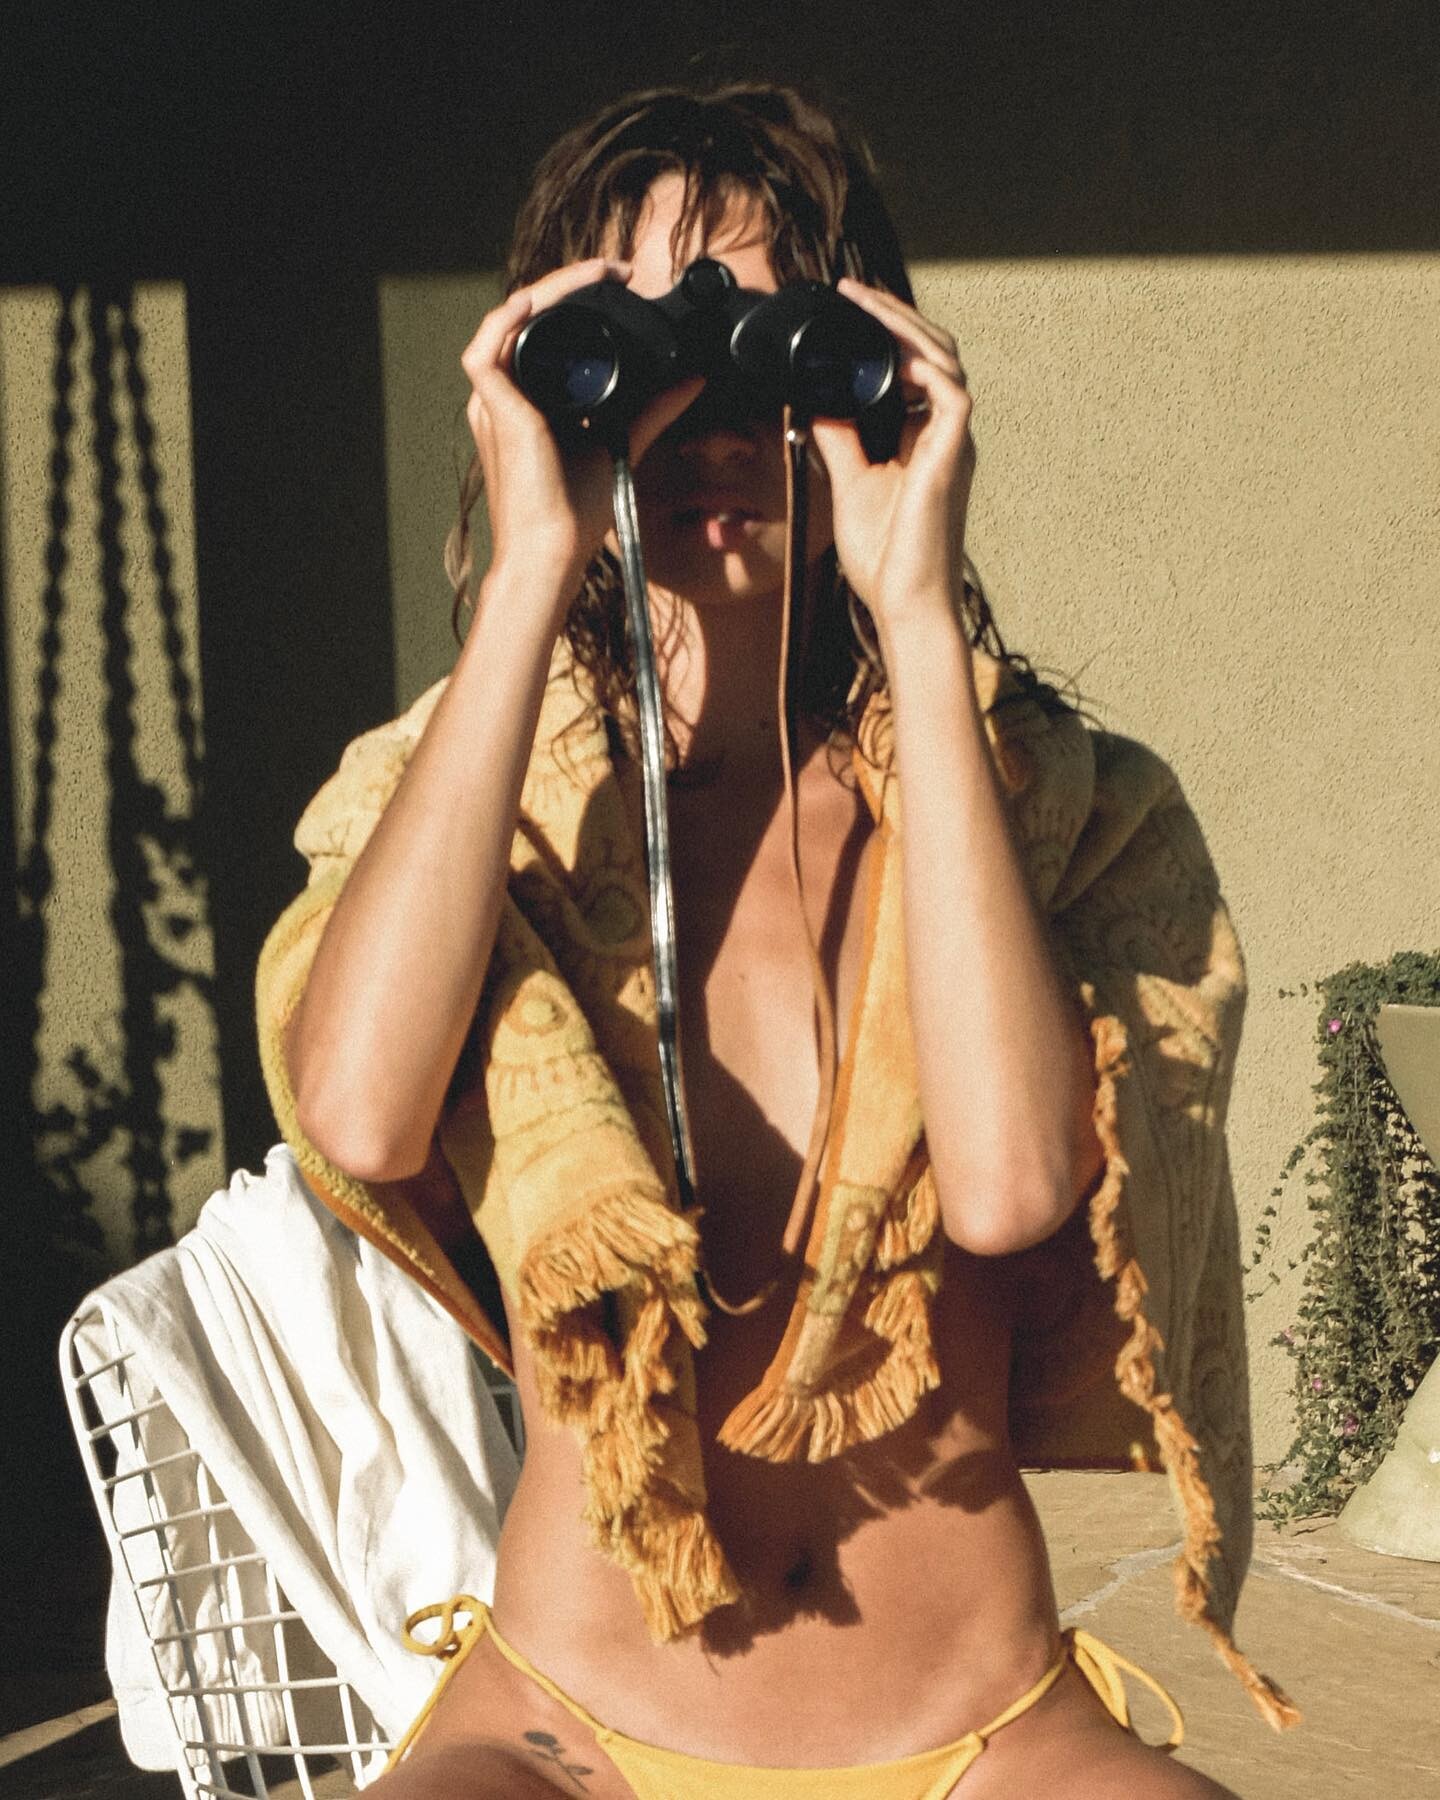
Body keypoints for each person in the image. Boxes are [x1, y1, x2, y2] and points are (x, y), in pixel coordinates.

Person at [261, 84, 1292, 1797]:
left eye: (764, 353)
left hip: (975, 1731)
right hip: (567, 1729)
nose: (710, 422)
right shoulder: (482, 797)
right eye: (640, 347)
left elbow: (1010, 1188)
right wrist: (526, 572)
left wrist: (912, 608)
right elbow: (358, 1116)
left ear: (867, 370)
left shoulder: (1055, 809)